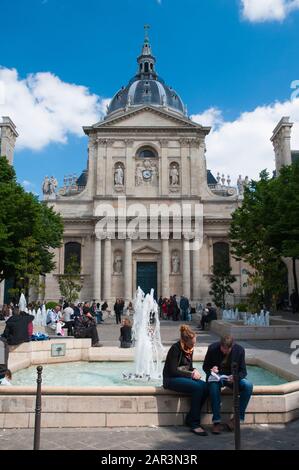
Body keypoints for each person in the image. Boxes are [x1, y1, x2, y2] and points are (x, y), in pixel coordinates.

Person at [163, 325, 208, 436]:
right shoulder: (175, 348)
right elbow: (173, 371)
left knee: (206, 387)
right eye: (192, 343)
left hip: (183, 377)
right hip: (171, 379)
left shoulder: (189, 348)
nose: (194, 345)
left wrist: (195, 370)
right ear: (184, 341)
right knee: (197, 388)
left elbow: (189, 366)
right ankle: (194, 423)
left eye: (195, 343)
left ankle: (190, 417)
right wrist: (191, 375)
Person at [203, 335, 253, 434]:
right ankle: (216, 422)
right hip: (217, 377)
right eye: (222, 348)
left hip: (232, 378)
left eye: (227, 350)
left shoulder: (239, 350)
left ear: (232, 346)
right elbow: (205, 366)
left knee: (248, 385)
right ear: (220, 345)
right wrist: (211, 370)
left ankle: (236, 419)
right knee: (213, 387)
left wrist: (235, 377)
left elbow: (243, 371)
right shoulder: (212, 348)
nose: (224, 351)